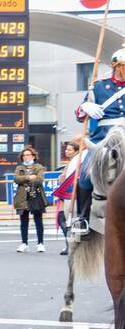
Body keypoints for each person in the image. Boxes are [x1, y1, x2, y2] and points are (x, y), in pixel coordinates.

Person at [72, 46, 125, 229]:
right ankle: (83, 219)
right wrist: (85, 106)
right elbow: (79, 116)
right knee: (85, 175)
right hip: (102, 140)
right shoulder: (99, 86)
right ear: (117, 66)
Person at [12, 146, 47, 252]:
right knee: (24, 220)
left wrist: (28, 179)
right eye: (24, 155)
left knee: (38, 220)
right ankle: (24, 243)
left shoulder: (38, 167)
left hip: (36, 195)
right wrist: (28, 177)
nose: (26, 157)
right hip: (22, 197)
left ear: (33, 156)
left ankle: (40, 243)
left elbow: (40, 180)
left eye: (28, 155)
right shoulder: (19, 168)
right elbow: (16, 179)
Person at [54, 141, 81, 255]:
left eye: (70, 149)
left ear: (76, 151)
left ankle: (74, 245)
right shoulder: (68, 164)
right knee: (62, 219)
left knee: (73, 221)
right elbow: (63, 181)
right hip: (64, 196)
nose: (67, 151)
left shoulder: (79, 162)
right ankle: (68, 244)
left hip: (74, 197)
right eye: (66, 149)